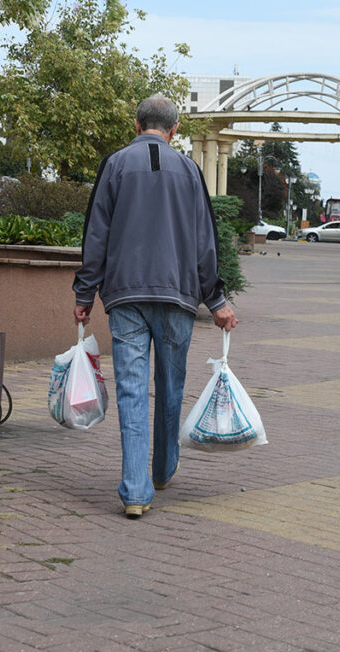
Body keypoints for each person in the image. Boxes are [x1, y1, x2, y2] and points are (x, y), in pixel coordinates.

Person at [72, 94, 238, 519]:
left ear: (136, 123)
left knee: (131, 391)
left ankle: (135, 492)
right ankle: (162, 470)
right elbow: (205, 241)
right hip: (178, 297)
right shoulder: (189, 170)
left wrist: (84, 294)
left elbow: (97, 235)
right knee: (169, 387)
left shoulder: (114, 165)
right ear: (174, 129)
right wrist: (216, 300)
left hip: (125, 296)